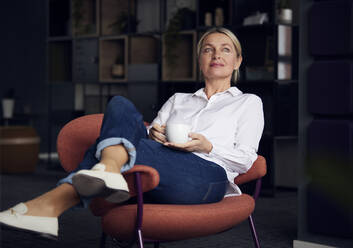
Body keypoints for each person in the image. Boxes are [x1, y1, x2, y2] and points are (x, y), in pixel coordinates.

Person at [0, 27, 264, 239]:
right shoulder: (178, 99)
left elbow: (245, 159)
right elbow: (147, 136)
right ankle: (107, 170)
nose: (216, 54)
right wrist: (154, 135)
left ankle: (66, 194)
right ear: (200, 60)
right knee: (120, 105)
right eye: (208, 49)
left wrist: (206, 147)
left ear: (237, 60)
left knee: (109, 146)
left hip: (207, 177)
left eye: (225, 49)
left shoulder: (248, 103)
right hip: (158, 168)